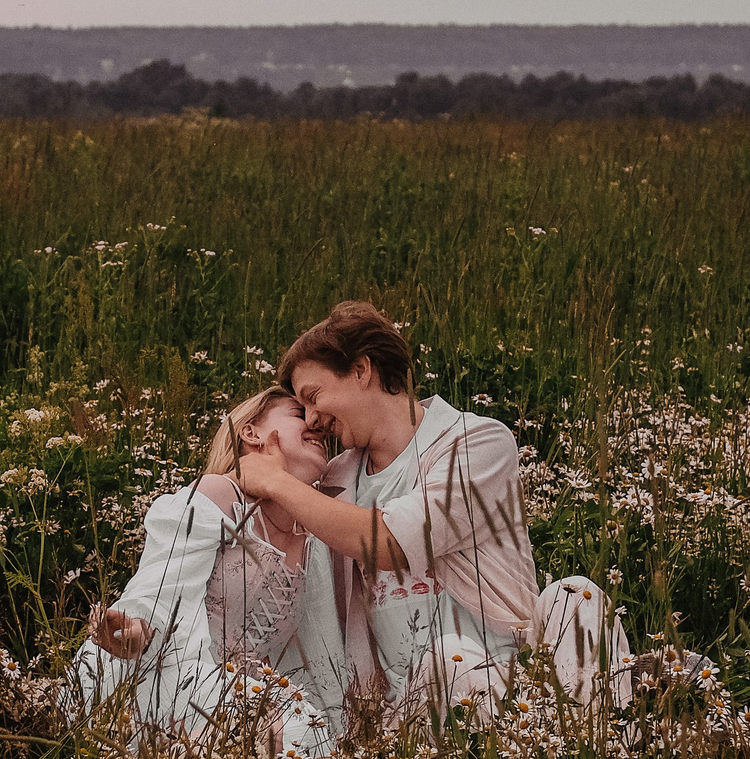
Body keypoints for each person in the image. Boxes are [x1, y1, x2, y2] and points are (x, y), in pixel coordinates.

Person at [233, 301, 633, 723]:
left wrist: (278, 482)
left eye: (313, 397)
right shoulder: (333, 486)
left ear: (361, 370)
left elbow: (389, 543)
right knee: (447, 664)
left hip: (516, 685)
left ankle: (591, 750)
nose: (312, 419)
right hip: (414, 718)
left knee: (573, 596)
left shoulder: (476, 443)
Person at [66, 386, 375, 759]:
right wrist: (138, 628)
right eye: (298, 414)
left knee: (312, 735)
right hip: (162, 670)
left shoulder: (313, 533)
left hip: (236, 691)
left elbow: (320, 639)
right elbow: (162, 581)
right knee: (285, 726)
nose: (316, 425)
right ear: (251, 433)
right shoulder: (219, 493)